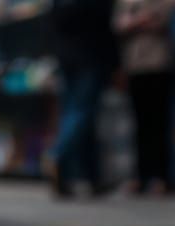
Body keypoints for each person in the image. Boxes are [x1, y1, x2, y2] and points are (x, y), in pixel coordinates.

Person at [113, 0, 175, 194]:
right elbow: (119, 24)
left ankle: (160, 177)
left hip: (159, 63)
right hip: (135, 65)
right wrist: (141, 20)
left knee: (159, 122)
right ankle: (140, 175)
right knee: (139, 123)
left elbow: (169, 16)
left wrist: (136, 21)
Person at [51, 0, 119, 197]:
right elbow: (106, 24)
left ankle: (90, 177)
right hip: (90, 56)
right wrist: (115, 63)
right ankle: (57, 154)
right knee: (82, 113)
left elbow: (52, 22)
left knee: (76, 115)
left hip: (66, 57)